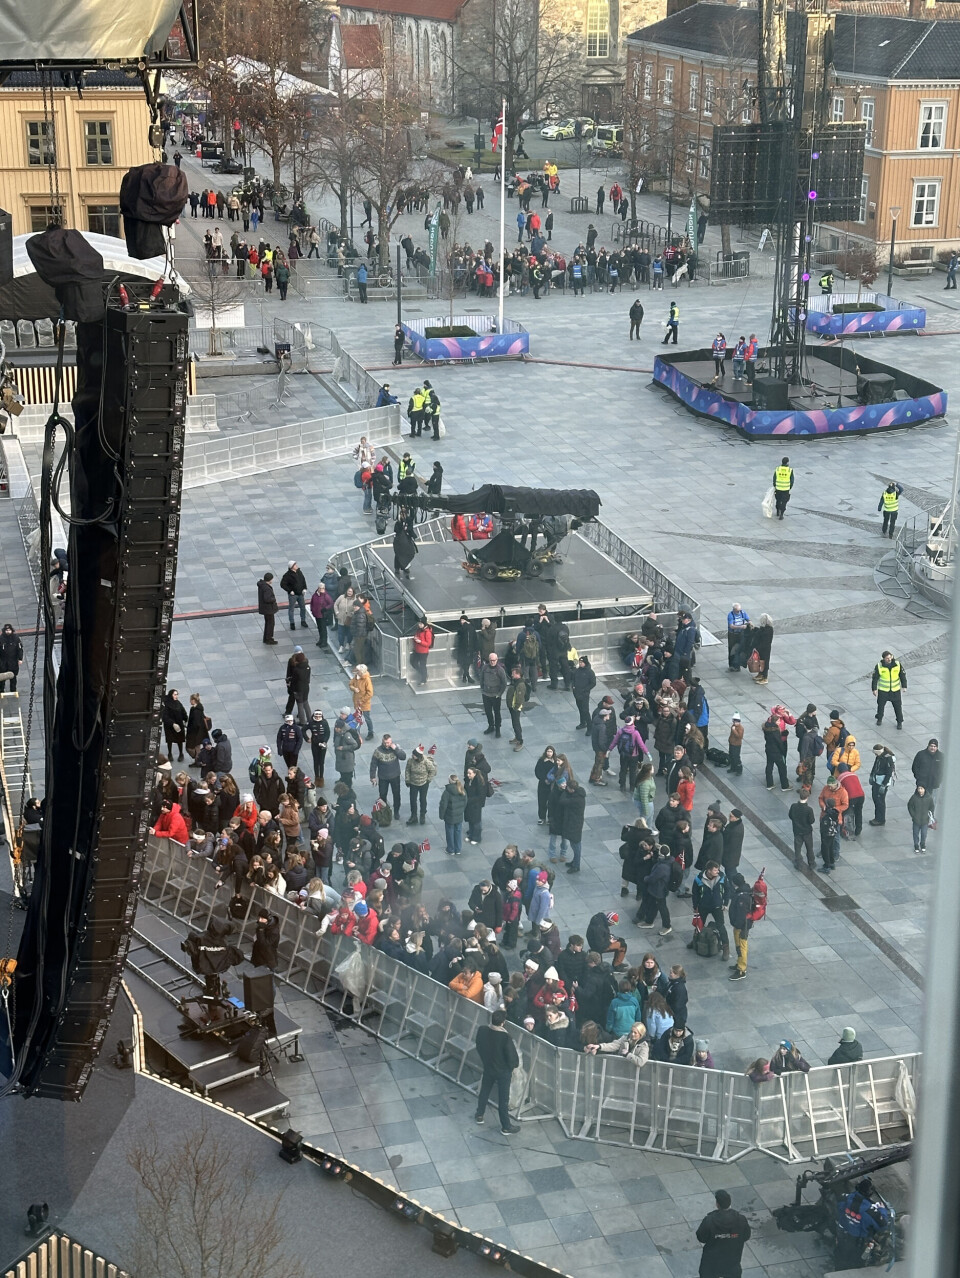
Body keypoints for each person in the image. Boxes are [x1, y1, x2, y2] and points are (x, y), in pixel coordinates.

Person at [474, 1009, 521, 1134]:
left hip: (489, 1067)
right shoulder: (505, 1037)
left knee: (484, 1090)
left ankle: (480, 1114)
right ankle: (506, 1126)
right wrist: (511, 1067)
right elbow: (513, 1059)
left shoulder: (482, 1030)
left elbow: (478, 1045)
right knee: (503, 1099)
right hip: (503, 1071)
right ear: (503, 1022)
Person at [696, 1190, 751, 1278]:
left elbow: (701, 1238)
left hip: (711, 1263)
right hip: (732, 1261)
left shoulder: (709, 1221)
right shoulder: (741, 1220)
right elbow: (746, 1236)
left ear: (717, 1204)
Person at [691, 861, 730, 961]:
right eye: (715, 869)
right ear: (708, 870)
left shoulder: (722, 877)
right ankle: (695, 941)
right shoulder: (699, 879)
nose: (718, 871)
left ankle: (726, 947)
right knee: (699, 925)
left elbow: (727, 890)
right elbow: (695, 893)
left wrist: (725, 903)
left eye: (718, 869)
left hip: (717, 906)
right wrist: (695, 906)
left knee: (721, 926)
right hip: (703, 906)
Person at [369, 733, 406, 820]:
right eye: (385, 742)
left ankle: (396, 812)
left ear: (391, 741)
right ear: (382, 741)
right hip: (383, 777)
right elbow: (373, 764)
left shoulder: (396, 748)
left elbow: (403, 757)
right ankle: (384, 813)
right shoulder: (378, 751)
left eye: (388, 742)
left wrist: (395, 749)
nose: (386, 744)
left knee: (396, 795)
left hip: (395, 776)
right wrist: (372, 776)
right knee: (382, 795)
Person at [726, 872, 753, 981]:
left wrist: (737, 925)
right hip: (741, 925)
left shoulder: (742, 896)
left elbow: (741, 914)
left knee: (741, 947)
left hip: (741, 926)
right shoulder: (744, 891)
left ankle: (741, 970)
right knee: (739, 946)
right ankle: (739, 964)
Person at [872, 650, 906, 728]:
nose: (889, 659)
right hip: (883, 691)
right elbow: (875, 678)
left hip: (895, 690)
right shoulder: (879, 666)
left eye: (890, 657)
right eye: (887, 658)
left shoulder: (897, 664)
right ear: (883, 658)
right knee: (880, 706)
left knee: (898, 707)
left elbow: (902, 675)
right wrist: (874, 689)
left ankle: (899, 722)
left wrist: (904, 686)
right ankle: (879, 718)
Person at [404, 744, 437, 825]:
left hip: (423, 783)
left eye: (414, 755)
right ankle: (414, 816)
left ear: (418, 756)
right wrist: (407, 780)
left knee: (422, 799)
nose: (412, 756)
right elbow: (407, 770)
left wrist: (428, 780)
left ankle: (422, 814)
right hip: (413, 783)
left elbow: (433, 771)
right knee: (413, 800)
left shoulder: (426, 762)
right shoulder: (410, 761)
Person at [479, 652, 508, 738]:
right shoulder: (485, 668)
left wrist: (499, 694)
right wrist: (482, 688)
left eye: (494, 660)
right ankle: (491, 726)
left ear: (497, 660)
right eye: (491, 660)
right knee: (488, 712)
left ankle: (498, 728)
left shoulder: (500, 670)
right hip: (486, 694)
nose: (492, 662)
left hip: (495, 695)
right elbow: (481, 678)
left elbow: (504, 683)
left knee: (497, 712)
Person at [912, 737, 943, 814]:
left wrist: (939, 779)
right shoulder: (921, 754)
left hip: (934, 784)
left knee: (932, 800)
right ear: (928, 746)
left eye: (934, 746)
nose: (933, 748)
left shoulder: (941, 756)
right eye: (931, 746)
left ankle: (930, 814)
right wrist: (918, 777)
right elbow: (915, 767)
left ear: (937, 747)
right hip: (922, 783)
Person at [868, 744, 896, 826]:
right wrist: (871, 775)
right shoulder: (879, 756)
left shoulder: (888, 759)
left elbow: (889, 773)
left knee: (880, 801)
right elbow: (875, 766)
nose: (875, 755)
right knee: (875, 799)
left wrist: (884, 785)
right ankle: (877, 817)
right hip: (876, 781)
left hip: (882, 782)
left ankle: (881, 819)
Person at [439, 774, 466, 855]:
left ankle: (450, 849)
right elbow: (465, 801)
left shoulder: (447, 792)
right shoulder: (462, 789)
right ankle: (458, 849)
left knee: (450, 832)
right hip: (459, 815)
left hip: (450, 816)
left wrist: (441, 815)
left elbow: (443, 805)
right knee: (458, 831)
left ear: (449, 781)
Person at [789, 791, 815, 869]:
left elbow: (790, 816)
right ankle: (811, 863)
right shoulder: (809, 809)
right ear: (807, 797)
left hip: (797, 831)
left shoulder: (793, 806)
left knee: (797, 848)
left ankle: (799, 864)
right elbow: (811, 821)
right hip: (807, 831)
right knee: (809, 848)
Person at [908, 782, 935, 853]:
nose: (920, 790)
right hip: (916, 820)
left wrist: (930, 815)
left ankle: (923, 844)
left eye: (921, 788)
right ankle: (916, 845)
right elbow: (910, 805)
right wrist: (913, 815)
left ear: (924, 789)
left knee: (924, 834)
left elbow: (932, 807)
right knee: (915, 833)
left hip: (925, 820)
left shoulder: (929, 798)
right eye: (919, 788)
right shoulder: (914, 797)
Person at [506, 667, 527, 750]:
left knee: (516, 724)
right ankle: (517, 737)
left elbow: (519, 698)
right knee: (515, 723)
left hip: (515, 707)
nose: (512, 675)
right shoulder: (516, 682)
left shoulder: (520, 684)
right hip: (512, 706)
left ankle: (520, 741)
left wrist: (515, 707)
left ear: (518, 674)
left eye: (513, 673)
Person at [726, 603, 749, 671]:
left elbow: (748, 619)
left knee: (740, 648)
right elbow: (731, 626)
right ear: (734, 610)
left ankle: (738, 664)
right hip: (732, 634)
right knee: (732, 649)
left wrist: (749, 622)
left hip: (740, 634)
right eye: (737, 611)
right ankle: (731, 665)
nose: (738, 612)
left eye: (739, 610)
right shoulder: (731, 615)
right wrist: (741, 627)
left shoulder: (743, 613)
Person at [411, 616, 434, 687]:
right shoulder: (419, 630)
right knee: (413, 662)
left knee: (422, 665)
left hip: (423, 652)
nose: (419, 625)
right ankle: (424, 674)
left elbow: (428, 643)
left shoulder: (427, 632)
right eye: (419, 623)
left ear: (424, 624)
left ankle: (423, 679)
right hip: (417, 650)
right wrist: (415, 638)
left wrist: (420, 641)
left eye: (421, 624)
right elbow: (417, 635)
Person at [257, 572, 279, 644]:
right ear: (269, 579)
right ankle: (269, 638)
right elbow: (267, 599)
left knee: (267, 623)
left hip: (265, 609)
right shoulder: (266, 588)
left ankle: (266, 638)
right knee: (270, 623)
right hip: (269, 609)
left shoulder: (262, 586)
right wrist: (273, 599)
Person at [0, 623, 23, 691]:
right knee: (2, 678)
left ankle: (13, 690)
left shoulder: (16, 638)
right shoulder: (1, 639)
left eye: (9, 630)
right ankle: (1, 690)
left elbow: (20, 649)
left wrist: (20, 658)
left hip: (13, 661)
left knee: (13, 677)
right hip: (3, 661)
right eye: (6, 630)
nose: (8, 631)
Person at [752, 613, 774, 685]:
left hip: (765, 649)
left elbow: (760, 635)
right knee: (760, 661)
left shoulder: (768, 630)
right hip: (761, 648)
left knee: (764, 662)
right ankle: (760, 674)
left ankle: (765, 677)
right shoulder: (765, 628)